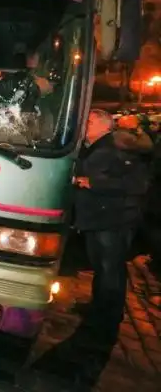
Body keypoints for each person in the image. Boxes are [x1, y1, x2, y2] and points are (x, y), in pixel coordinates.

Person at [73, 109, 152, 334]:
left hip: (114, 220)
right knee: (100, 267)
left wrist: (94, 182)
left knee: (111, 269)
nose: (83, 125)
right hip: (97, 218)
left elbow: (138, 185)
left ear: (105, 126)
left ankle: (108, 316)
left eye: (88, 121)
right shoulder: (93, 147)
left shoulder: (119, 148)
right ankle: (98, 307)